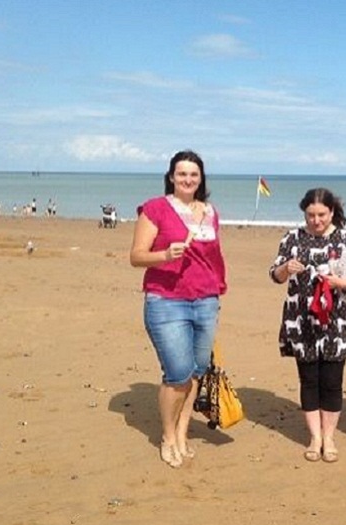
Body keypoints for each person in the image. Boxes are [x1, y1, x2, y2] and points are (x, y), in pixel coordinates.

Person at [130, 150, 227, 468]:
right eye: (182, 173)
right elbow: (136, 256)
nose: (188, 179)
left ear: (201, 179)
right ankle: (168, 436)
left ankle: (183, 433)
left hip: (206, 301)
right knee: (177, 373)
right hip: (166, 301)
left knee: (197, 371)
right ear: (171, 176)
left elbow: (215, 258)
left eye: (194, 174)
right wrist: (164, 256)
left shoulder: (210, 212)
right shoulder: (156, 208)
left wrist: (217, 292)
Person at [269, 188, 346, 463]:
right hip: (301, 320)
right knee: (309, 380)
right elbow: (274, 275)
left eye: (321, 215)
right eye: (311, 215)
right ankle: (314, 437)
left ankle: (329, 437)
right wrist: (285, 268)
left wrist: (340, 283)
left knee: (332, 382)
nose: (316, 220)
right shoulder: (292, 237)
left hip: (336, 320)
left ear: (332, 212)